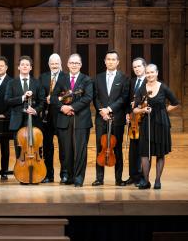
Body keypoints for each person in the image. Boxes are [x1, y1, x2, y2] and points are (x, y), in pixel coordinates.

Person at [133, 64, 179, 190]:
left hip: (161, 124)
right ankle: (146, 181)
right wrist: (143, 110)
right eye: (147, 73)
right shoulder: (142, 88)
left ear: (157, 73)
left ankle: (157, 180)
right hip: (146, 123)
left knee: (160, 153)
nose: (149, 75)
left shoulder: (163, 87)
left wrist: (164, 111)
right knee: (144, 153)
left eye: (152, 72)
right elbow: (135, 109)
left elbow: (175, 103)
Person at [51, 53, 93, 187]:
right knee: (65, 150)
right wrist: (62, 107)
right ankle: (67, 176)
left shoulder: (86, 79)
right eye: (72, 63)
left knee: (80, 150)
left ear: (80, 65)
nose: (74, 65)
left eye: (77, 63)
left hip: (81, 120)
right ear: (68, 64)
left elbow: (87, 98)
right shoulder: (61, 79)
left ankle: (79, 177)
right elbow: (53, 97)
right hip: (64, 119)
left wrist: (72, 107)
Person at [93, 50, 130, 187]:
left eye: (113, 59)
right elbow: (95, 97)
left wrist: (109, 109)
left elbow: (124, 98)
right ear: (104, 61)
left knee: (117, 148)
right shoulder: (98, 78)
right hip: (101, 118)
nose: (110, 61)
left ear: (118, 62)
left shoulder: (124, 78)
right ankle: (99, 178)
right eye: (108, 59)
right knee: (100, 147)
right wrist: (102, 111)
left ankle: (118, 178)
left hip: (117, 118)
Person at [4, 55, 45, 164]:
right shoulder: (11, 83)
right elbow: (7, 100)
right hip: (17, 121)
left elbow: (42, 102)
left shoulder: (37, 83)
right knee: (19, 149)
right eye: (22, 65)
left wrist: (35, 110)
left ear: (31, 67)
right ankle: (21, 171)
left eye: (27, 65)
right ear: (18, 67)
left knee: (36, 147)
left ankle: (37, 171)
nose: (25, 66)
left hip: (34, 121)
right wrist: (22, 97)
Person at [39, 53, 65, 183]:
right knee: (47, 147)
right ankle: (48, 175)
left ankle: (64, 175)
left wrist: (54, 100)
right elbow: (40, 94)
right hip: (46, 118)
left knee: (63, 147)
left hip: (61, 116)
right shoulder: (43, 77)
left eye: (57, 63)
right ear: (49, 64)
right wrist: (45, 99)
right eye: (52, 63)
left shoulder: (65, 77)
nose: (54, 66)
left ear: (60, 64)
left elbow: (68, 95)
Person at [125, 57, 147, 186]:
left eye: (139, 66)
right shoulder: (132, 82)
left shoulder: (149, 81)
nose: (137, 69)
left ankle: (143, 177)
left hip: (144, 121)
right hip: (133, 122)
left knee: (142, 149)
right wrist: (127, 114)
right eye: (135, 67)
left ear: (144, 66)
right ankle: (133, 176)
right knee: (132, 149)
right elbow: (127, 100)